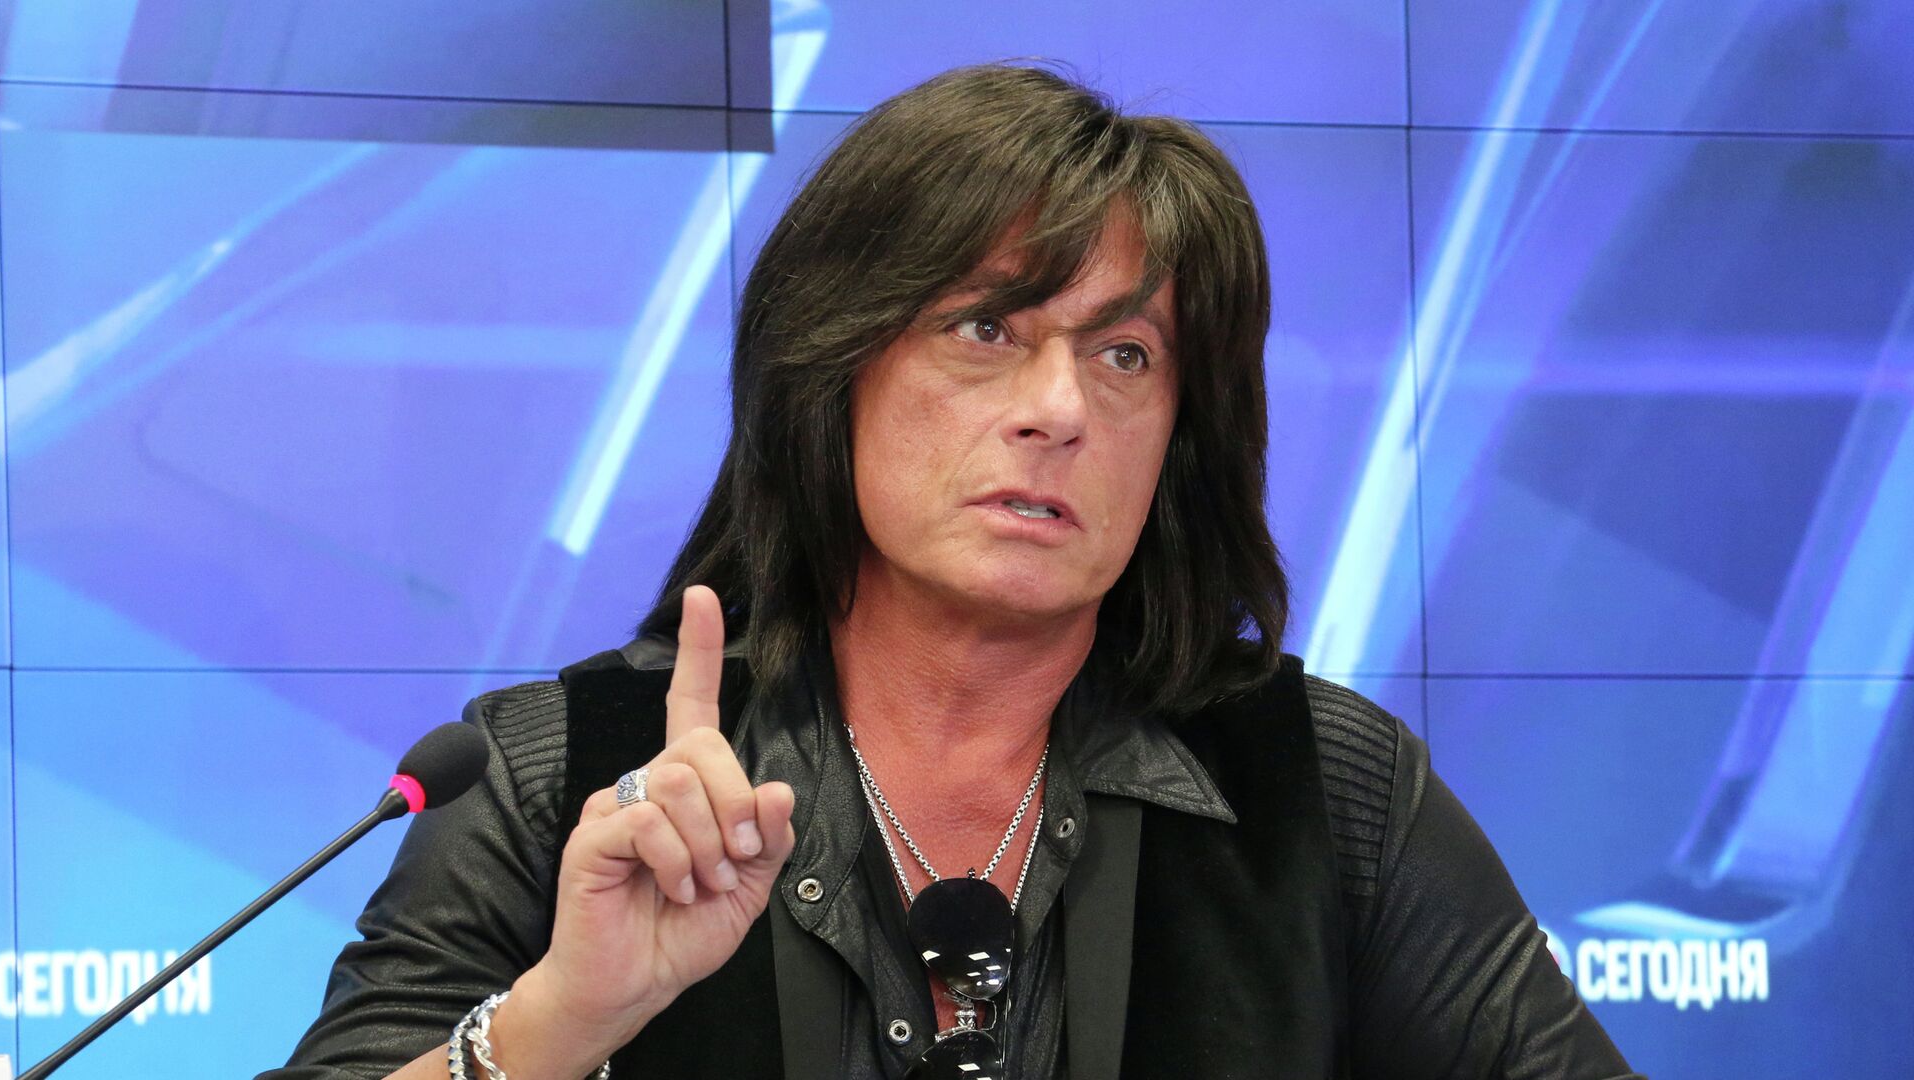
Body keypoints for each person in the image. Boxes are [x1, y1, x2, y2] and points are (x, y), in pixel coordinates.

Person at [265, 63, 1641, 1079]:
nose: (1060, 409)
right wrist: (560, 1021)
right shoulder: (562, 774)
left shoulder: (1322, 790)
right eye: (987, 329)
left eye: (1125, 354)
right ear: (832, 369)